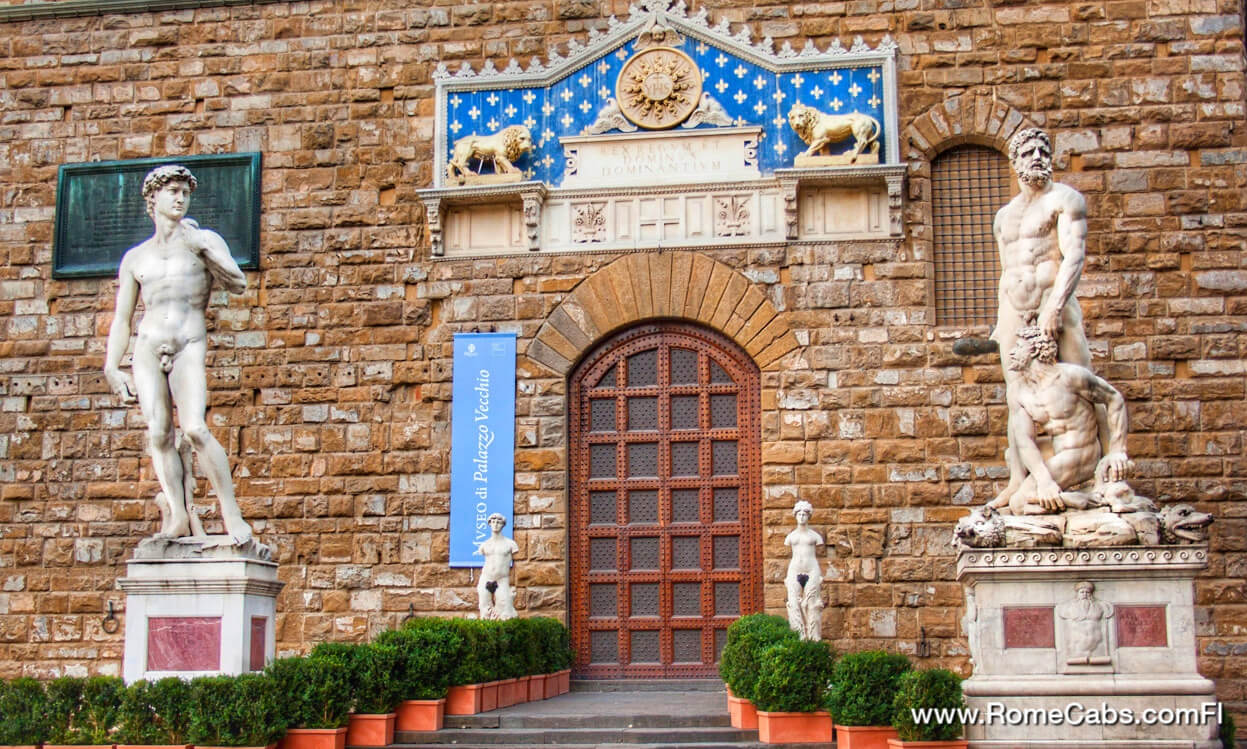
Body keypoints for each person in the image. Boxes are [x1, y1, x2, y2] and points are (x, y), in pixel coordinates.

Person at [104, 165, 252, 544]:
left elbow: (238, 283)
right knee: (158, 433)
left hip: (188, 342)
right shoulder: (136, 258)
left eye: (185, 192)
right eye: (172, 191)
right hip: (148, 345)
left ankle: (231, 515)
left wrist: (205, 250)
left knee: (196, 429)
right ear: (153, 199)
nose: (180, 198)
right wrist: (112, 365)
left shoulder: (204, 240)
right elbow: (123, 319)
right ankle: (178, 516)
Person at [990, 128, 1106, 510]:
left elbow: (1073, 255)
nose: (1037, 156)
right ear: (1016, 162)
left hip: (1054, 304)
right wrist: (1003, 320)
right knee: (1017, 396)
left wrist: (1054, 307)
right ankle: (1017, 479)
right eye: (1028, 152)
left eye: (1043, 150)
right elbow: (1008, 269)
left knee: (1083, 382)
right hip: (1014, 310)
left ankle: (1104, 471)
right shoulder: (1004, 216)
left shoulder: (1064, 199)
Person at [987, 328, 1133, 516]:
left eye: (1019, 347)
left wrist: (1117, 451)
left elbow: (1114, 399)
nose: (1012, 352)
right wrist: (1044, 480)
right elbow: (1025, 442)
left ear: (1034, 350)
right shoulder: (1018, 391)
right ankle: (1075, 499)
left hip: (1080, 452)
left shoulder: (1070, 377)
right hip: (1056, 450)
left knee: (1019, 503)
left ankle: (1079, 501)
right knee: (1012, 455)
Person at [783, 500, 824, 641]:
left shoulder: (814, 536)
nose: (801, 517)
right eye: (799, 514)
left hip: (811, 570)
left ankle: (814, 638)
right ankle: (799, 636)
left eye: (804, 514)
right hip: (795, 570)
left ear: (808, 516)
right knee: (793, 603)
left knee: (812, 604)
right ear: (795, 516)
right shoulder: (791, 537)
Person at [1056, 581, 1114, 666]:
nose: (1085, 594)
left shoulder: (1100, 606)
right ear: (1078, 594)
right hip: (1077, 646)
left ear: (1090, 594)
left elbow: (1108, 612)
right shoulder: (1069, 607)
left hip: (1097, 645)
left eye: (1087, 592)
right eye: (1082, 592)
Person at [475, 512, 519, 620]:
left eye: (498, 522)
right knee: (485, 609)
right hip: (486, 578)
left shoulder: (510, 544)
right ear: (489, 524)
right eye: (493, 522)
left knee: (505, 610)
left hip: (502, 580)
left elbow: (517, 566)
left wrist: (514, 584)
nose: (495, 524)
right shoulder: (484, 545)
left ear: (503, 524)